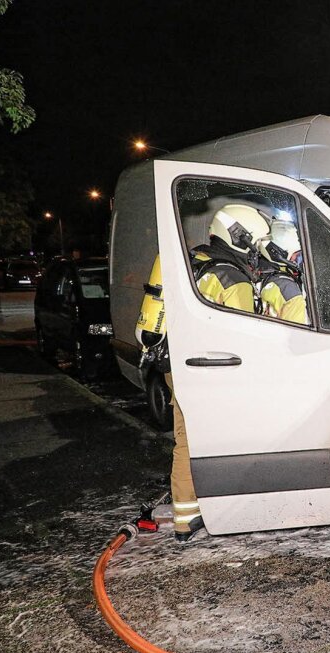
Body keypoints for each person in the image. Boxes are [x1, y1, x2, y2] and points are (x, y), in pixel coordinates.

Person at [134, 203, 269, 542]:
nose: (257, 250)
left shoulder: (195, 258)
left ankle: (188, 515)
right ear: (239, 236)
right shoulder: (231, 276)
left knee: (187, 440)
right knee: (214, 440)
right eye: (254, 242)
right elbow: (245, 338)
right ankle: (209, 514)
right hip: (210, 373)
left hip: (176, 366)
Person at [257, 219, 308, 324]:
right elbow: (297, 336)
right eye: (297, 256)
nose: (299, 262)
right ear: (279, 254)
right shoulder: (290, 292)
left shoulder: (259, 276)